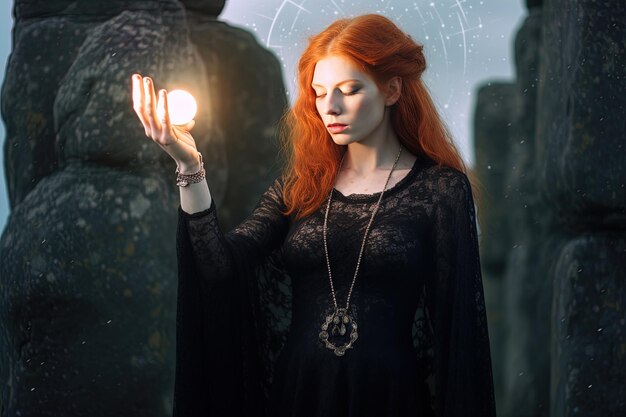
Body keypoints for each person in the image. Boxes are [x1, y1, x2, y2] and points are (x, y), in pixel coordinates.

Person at [132, 13, 496, 417]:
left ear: (392, 89)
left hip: (389, 397)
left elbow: (458, 333)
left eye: (349, 89)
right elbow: (218, 268)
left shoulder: (440, 190)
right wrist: (188, 166)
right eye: (319, 93)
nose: (331, 107)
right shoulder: (300, 188)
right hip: (299, 393)